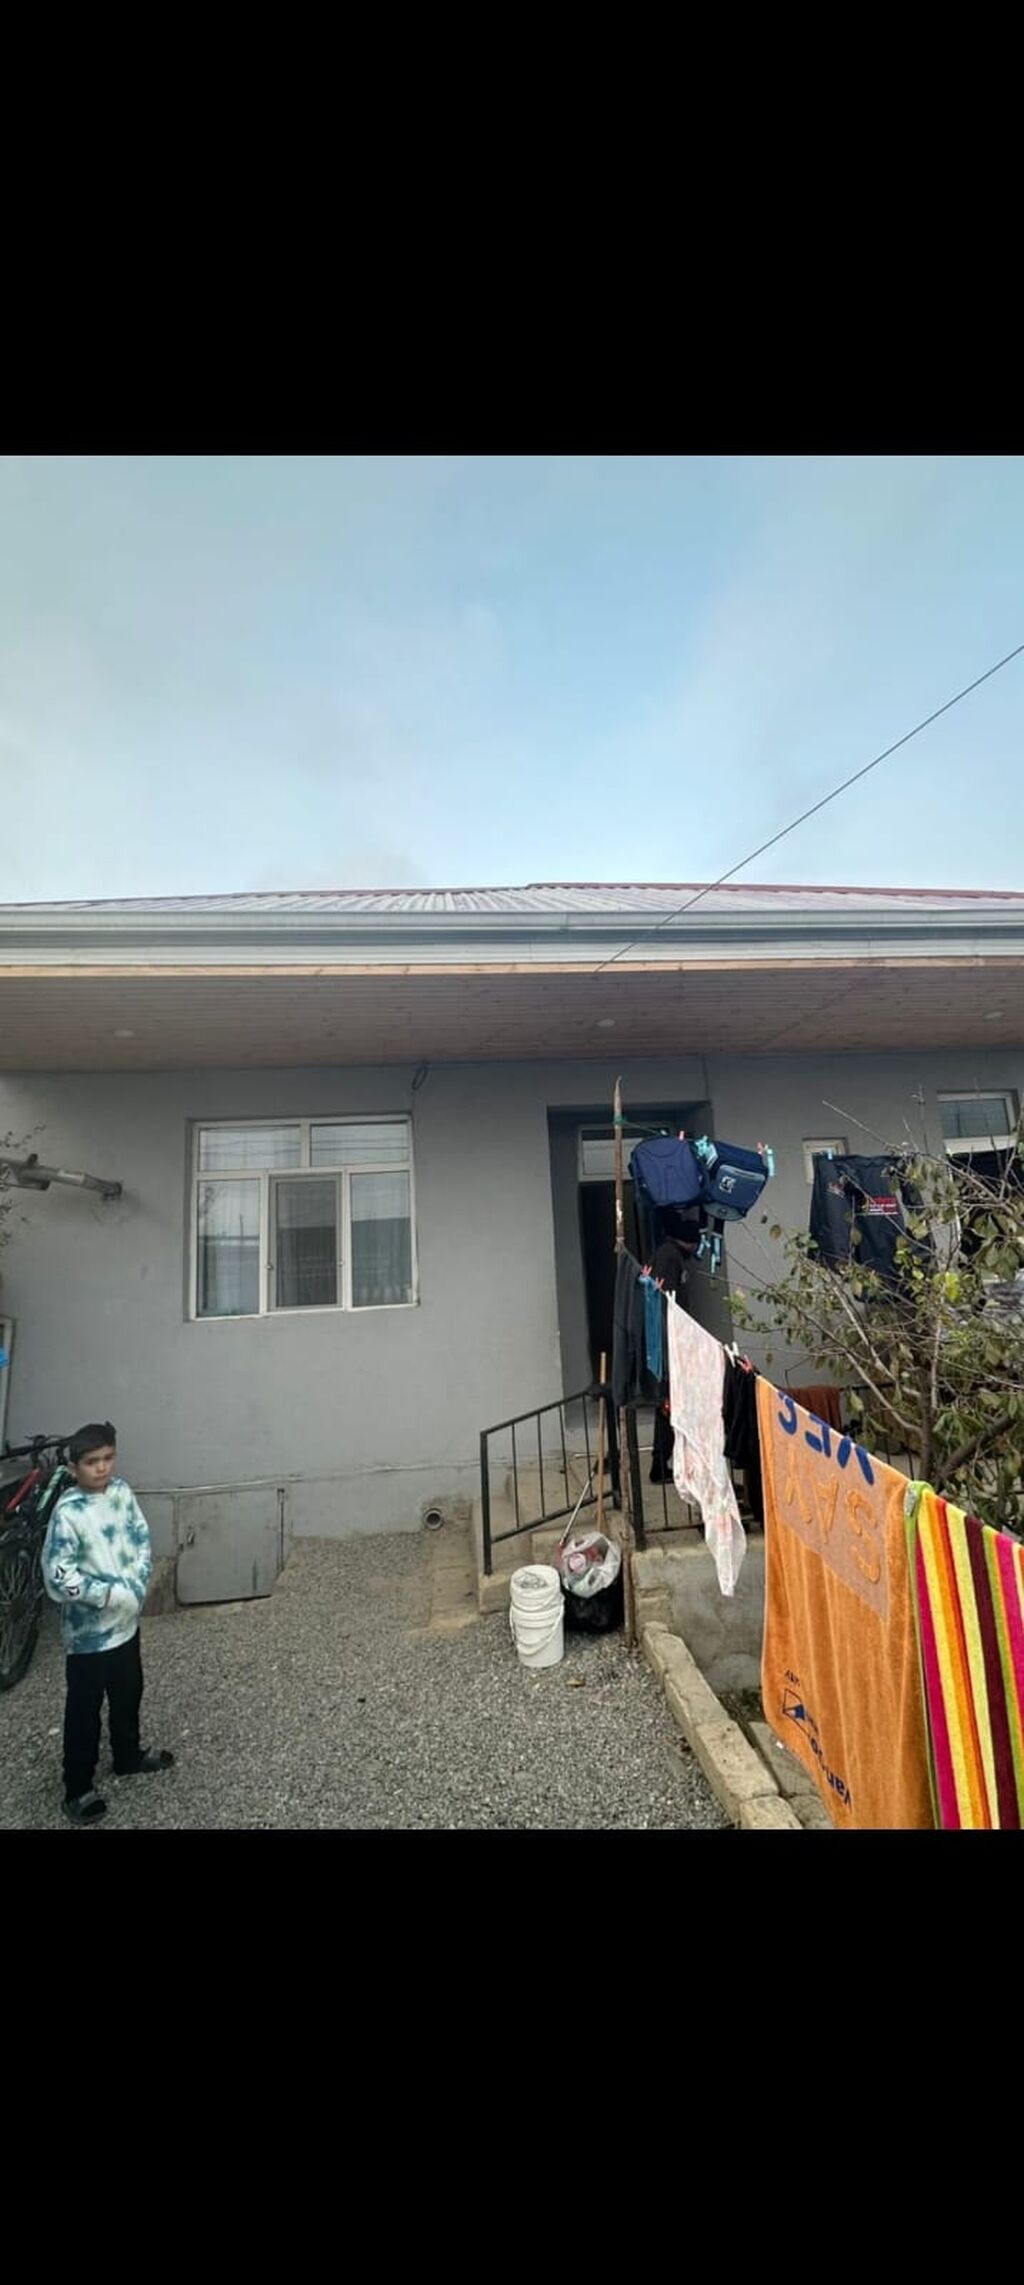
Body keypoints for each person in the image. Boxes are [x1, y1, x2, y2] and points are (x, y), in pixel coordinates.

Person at [41, 1421, 173, 1825]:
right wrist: (109, 1595)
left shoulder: (121, 1493)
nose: (101, 1468)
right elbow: (58, 1576)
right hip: (89, 1638)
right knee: (84, 1710)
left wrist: (137, 1583)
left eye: (108, 1458)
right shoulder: (68, 1513)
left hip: (126, 1627)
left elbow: (140, 1537)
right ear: (74, 1467)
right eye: (91, 1461)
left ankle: (127, 1757)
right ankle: (77, 1788)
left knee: (128, 1693)